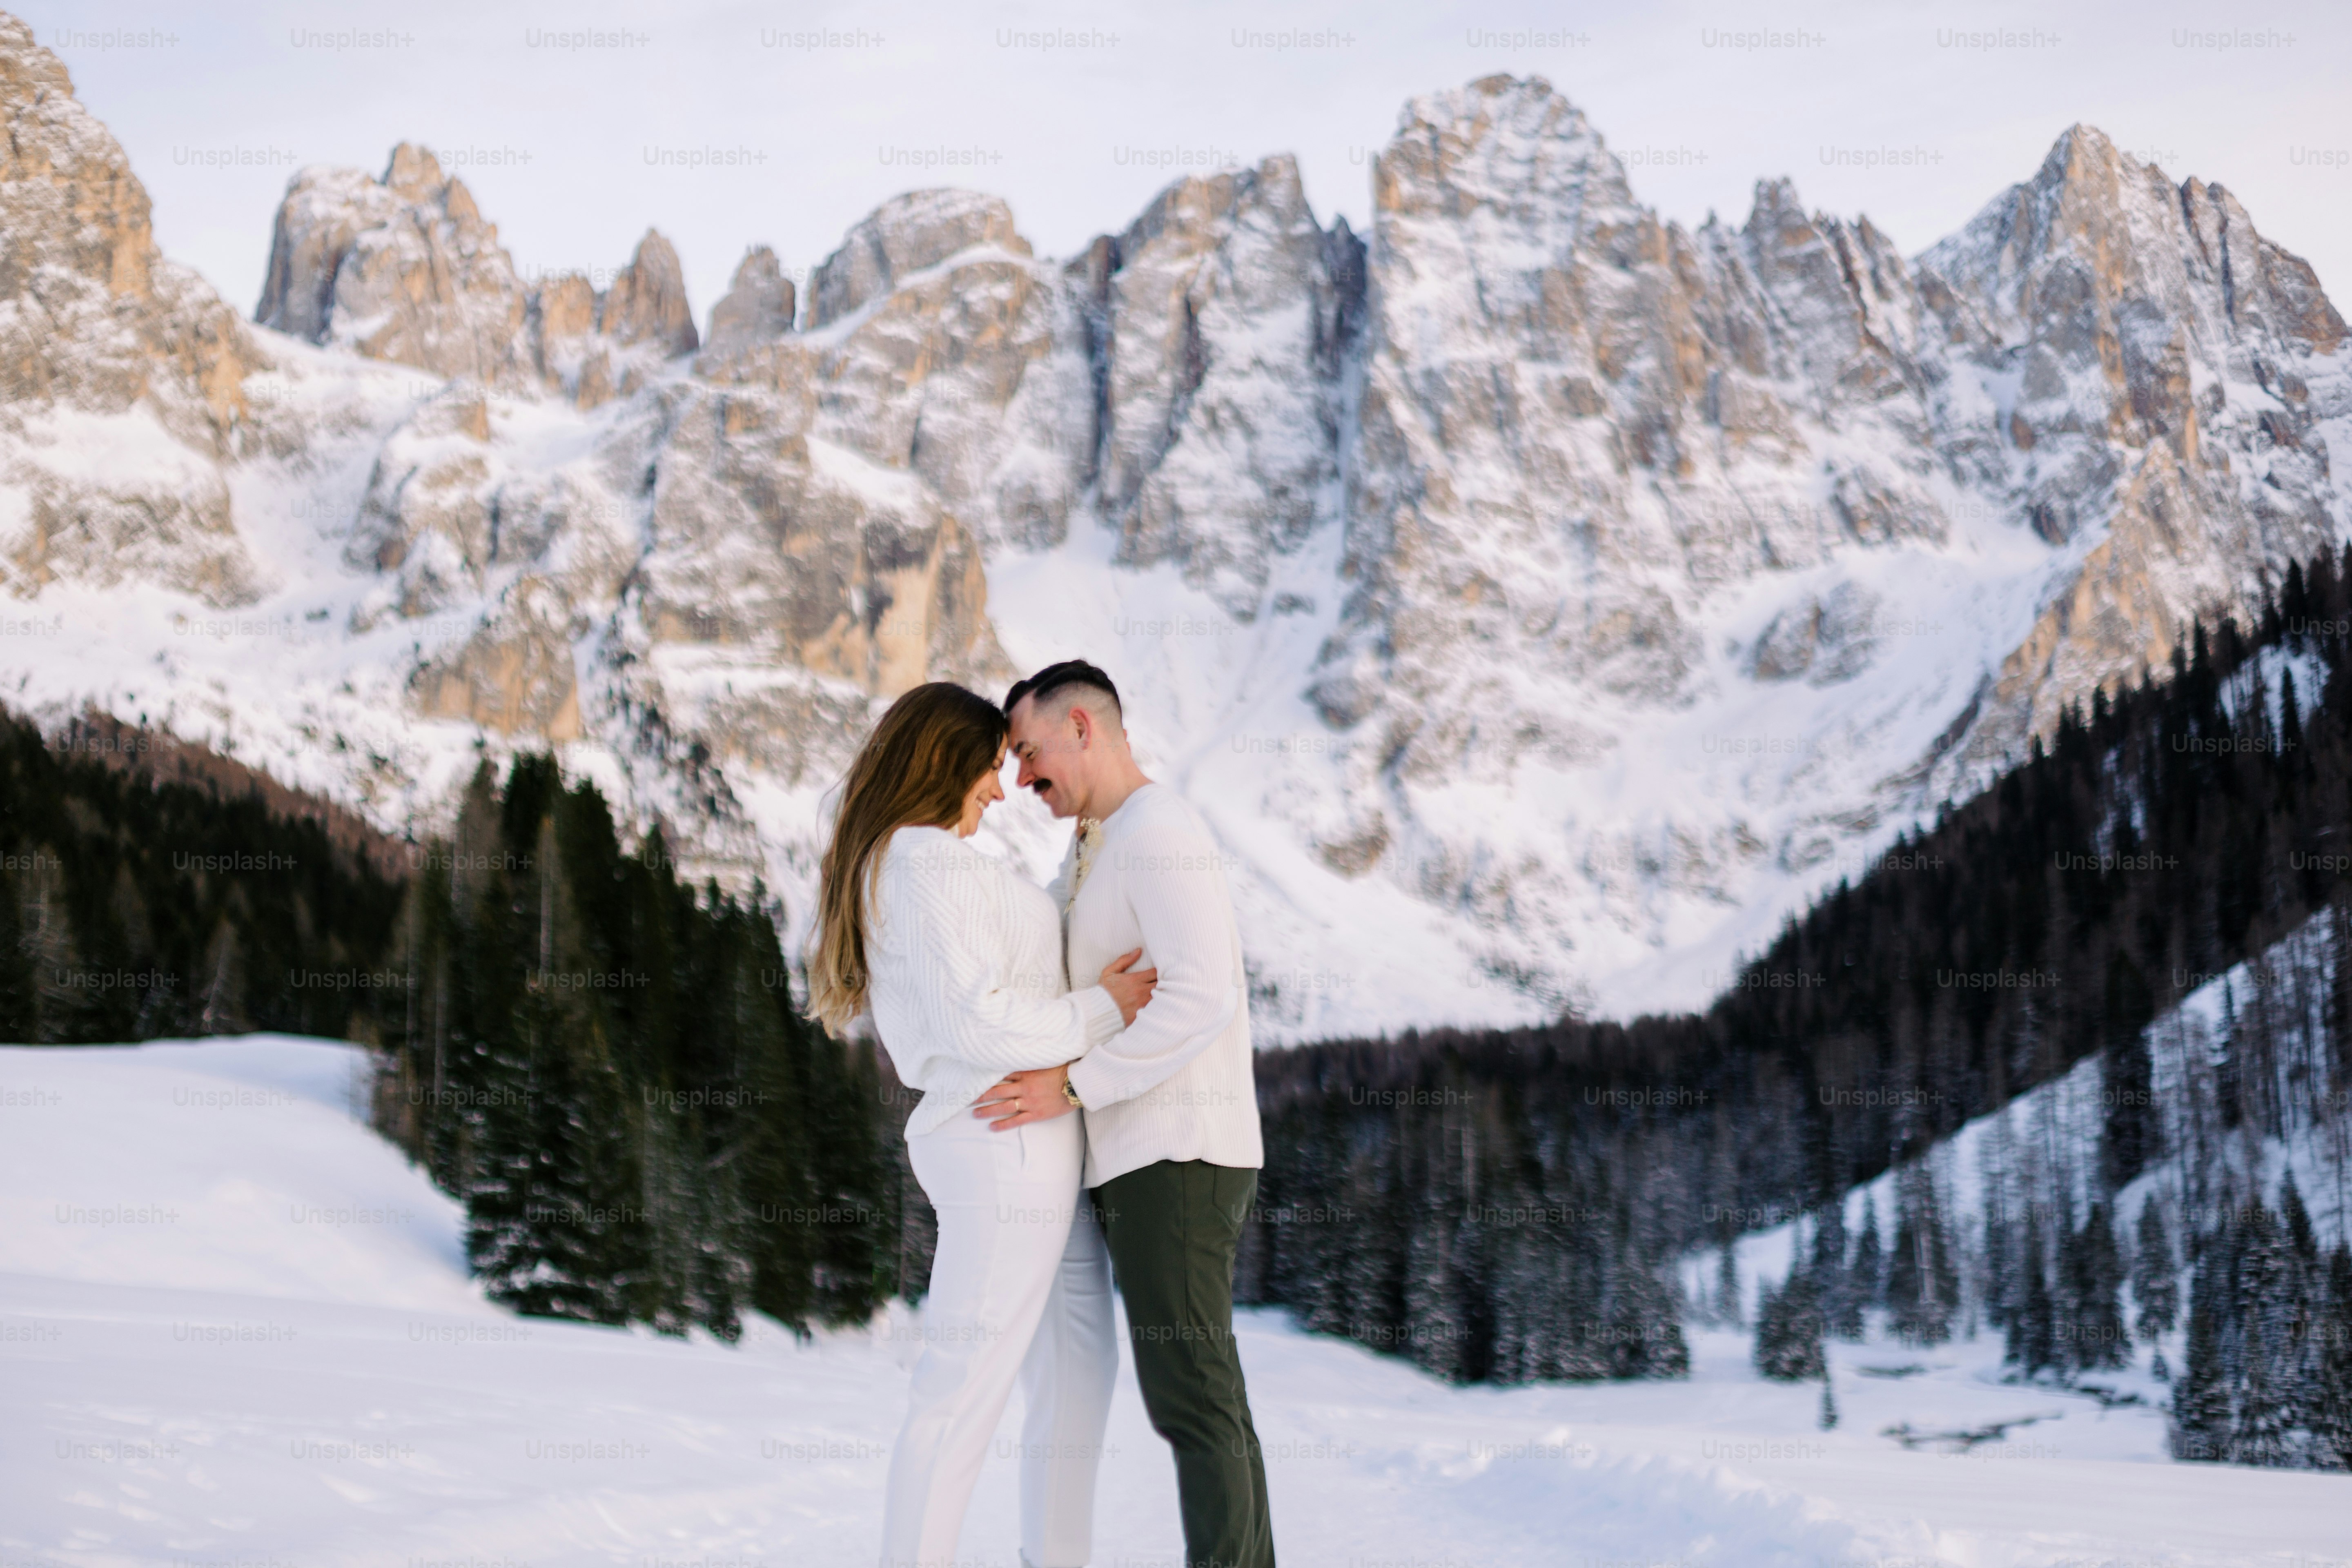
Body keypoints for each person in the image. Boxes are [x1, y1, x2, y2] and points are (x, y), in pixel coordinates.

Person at [809, 681, 1156, 1568]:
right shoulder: (920, 861)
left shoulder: (926, 861)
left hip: (1030, 1146)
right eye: (989, 769)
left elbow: (1007, 969)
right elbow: (975, 1021)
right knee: (960, 1395)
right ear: (941, 763)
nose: (1000, 791)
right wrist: (1105, 1010)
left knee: (1079, 1367)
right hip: (1005, 1144)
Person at [973, 660, 1276, 1568]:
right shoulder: (1098, 846)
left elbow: (1202, 995)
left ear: (1081, 727)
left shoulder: (1159, 832)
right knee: (1199, 1395)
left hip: (1177, 1153)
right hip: (1141, 1158)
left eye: (1027, 751)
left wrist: (1073, 1087)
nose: (1021, 774)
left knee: (1193, 1397)